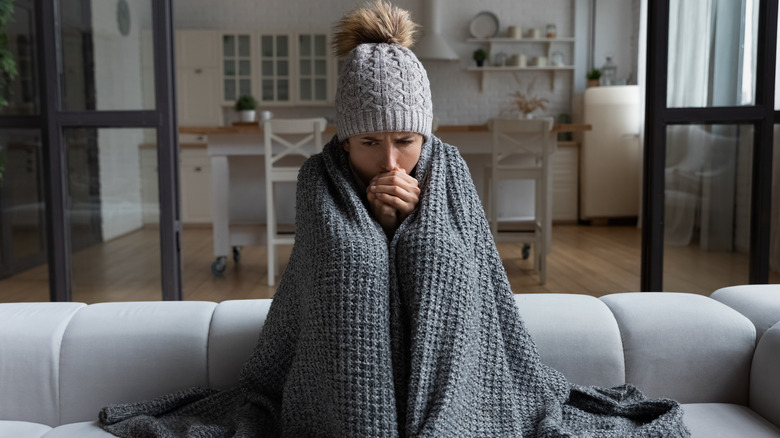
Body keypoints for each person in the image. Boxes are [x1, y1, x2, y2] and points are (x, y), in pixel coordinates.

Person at [99, 2, 690, 437]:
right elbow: (326, 272)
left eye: (406, 141)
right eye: (368, 143)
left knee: (436, 254)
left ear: (424, 135)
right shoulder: (319, 177)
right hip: (335, 386)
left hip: (456, 369)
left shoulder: (449, 169)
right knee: (354, 259)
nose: (389, 160)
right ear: (344, 139)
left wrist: (410, 232)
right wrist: (375, 229)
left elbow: (476, 275)